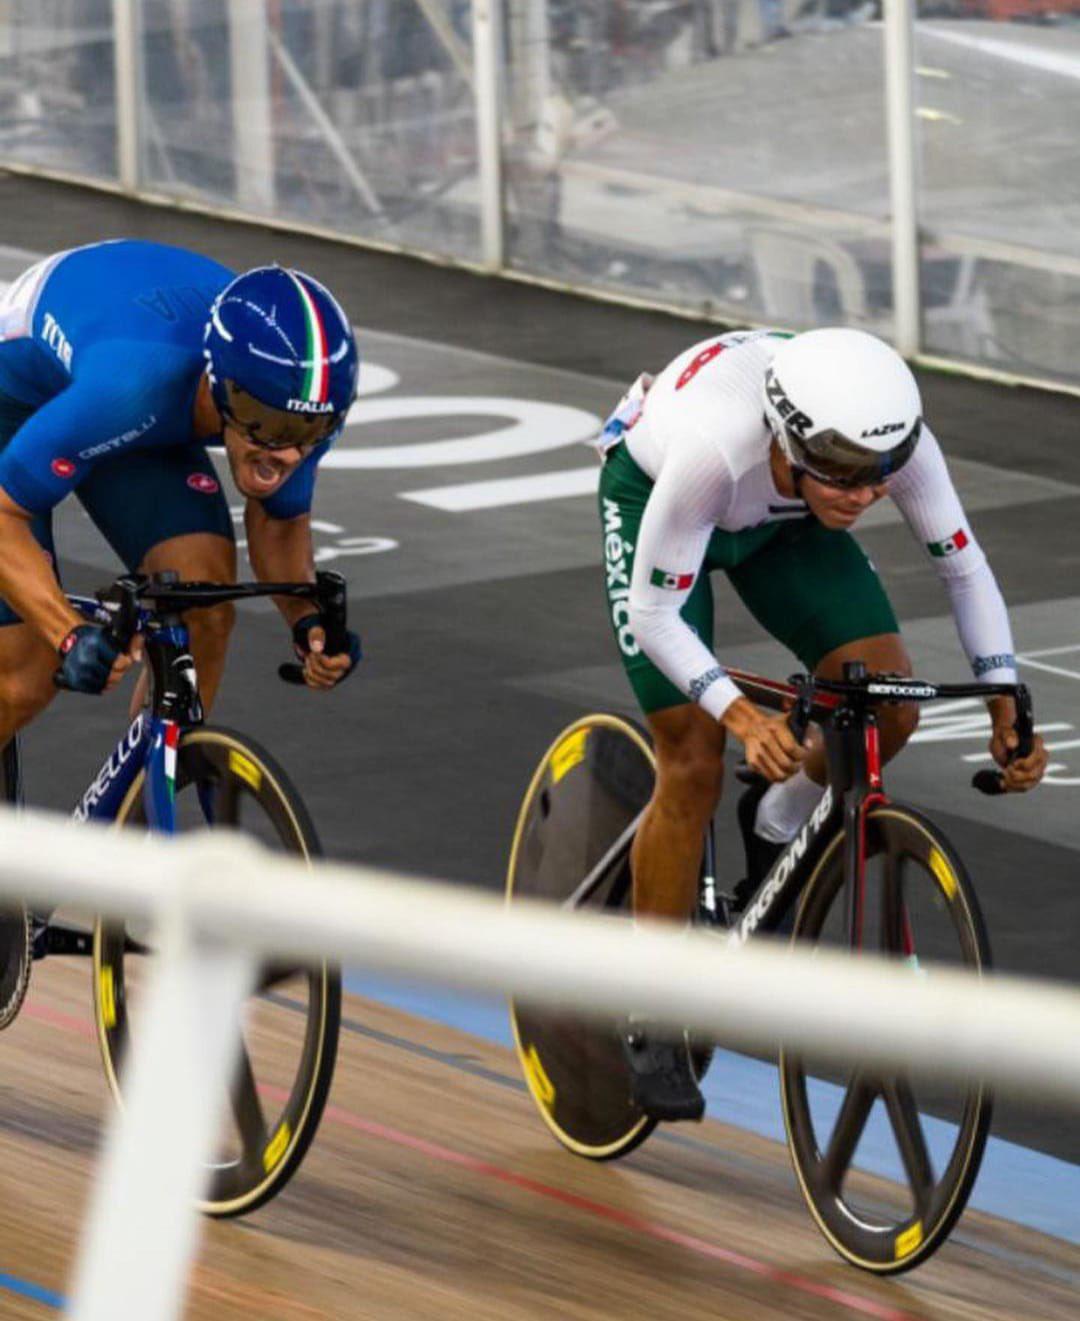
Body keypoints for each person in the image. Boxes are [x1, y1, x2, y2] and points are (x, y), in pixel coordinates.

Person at [596, 326, 1047, 1121]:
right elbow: (656, 611)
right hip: (661, 494)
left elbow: (963, 567)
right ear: (787, 434)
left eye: (877, 476)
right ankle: (651, 1004)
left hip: (783, 515)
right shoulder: (713, 448)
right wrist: (735, 711)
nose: (864, 493)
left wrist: (1005, 693)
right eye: (841, 474)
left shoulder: (882, 450)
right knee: (692, 761)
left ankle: (775, 820)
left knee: (890, 704)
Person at [0, 238, 362, 741]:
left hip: (135, 397)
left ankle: (149, 799)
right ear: (221, 385)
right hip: (23, 394)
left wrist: (307, 621)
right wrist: (67, 634)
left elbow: (280, 522)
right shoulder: (134, 385)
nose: (284, 455)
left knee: (205, 606)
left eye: (306, 435)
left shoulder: (301, 407)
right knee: (25, 676)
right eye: (263, 425)